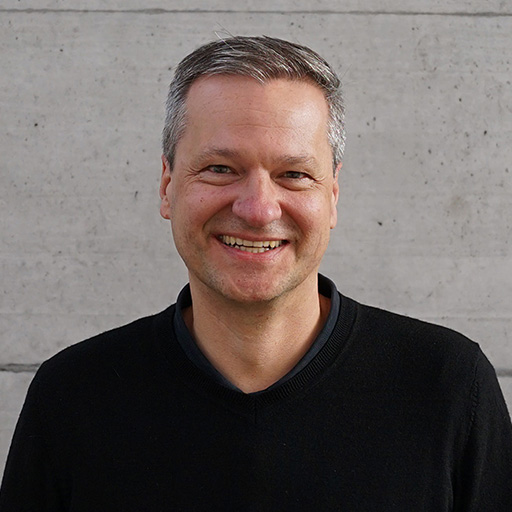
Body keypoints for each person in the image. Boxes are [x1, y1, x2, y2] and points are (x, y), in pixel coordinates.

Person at [1, 36, 511, 511]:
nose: (259, 208)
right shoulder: (73, 398)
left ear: (332, 196)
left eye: (294, 174)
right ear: (166, 185)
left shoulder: (447, 388)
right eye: (220, 169)